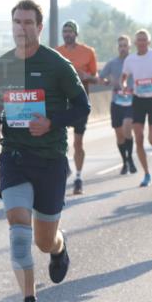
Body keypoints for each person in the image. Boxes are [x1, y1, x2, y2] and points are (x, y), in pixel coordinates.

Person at [0, 0, 89, 302]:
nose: (22, 28)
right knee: (19, 232)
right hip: (14, 157)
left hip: (49, 160)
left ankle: (59, 246)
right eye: (17, 22)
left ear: (39, 27)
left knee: (44, 241)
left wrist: (51, 123)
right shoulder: (0, 67)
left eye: (28, 22)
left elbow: (83, 107)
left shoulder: (57, 65)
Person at [120, 29, 152, 187]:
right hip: (138, 100)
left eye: (144, 40)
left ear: (149, 42)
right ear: (135, 43)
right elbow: (124, 77)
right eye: (139, 40)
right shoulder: (130, 59)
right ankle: (147, 174)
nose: (142, 42)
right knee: (139, 138)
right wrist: (124, 86)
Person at [55, 20, 98, 194]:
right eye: (65, 31)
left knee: (78, 142)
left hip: (80, 102)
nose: (67, 34)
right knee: (59, 139)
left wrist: (85, 76)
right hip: (61, 102)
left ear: (76, 33)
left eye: (70, 31)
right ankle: (65, 166)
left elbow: (95, 78)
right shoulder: (57, 52)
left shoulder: (88, 52)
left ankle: (78, 178)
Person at [96, 35, 136, 175]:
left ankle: (130, 159)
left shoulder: (134, 61)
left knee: (127, 128)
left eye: (125, 46)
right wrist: (107, 82)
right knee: (119, 135)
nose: (123, 48)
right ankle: (125, 162)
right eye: (120, 46)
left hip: (131, 101)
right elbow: (100, 78)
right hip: (116, 101)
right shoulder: (112, 63)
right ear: (117, 47)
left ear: (130, 47)